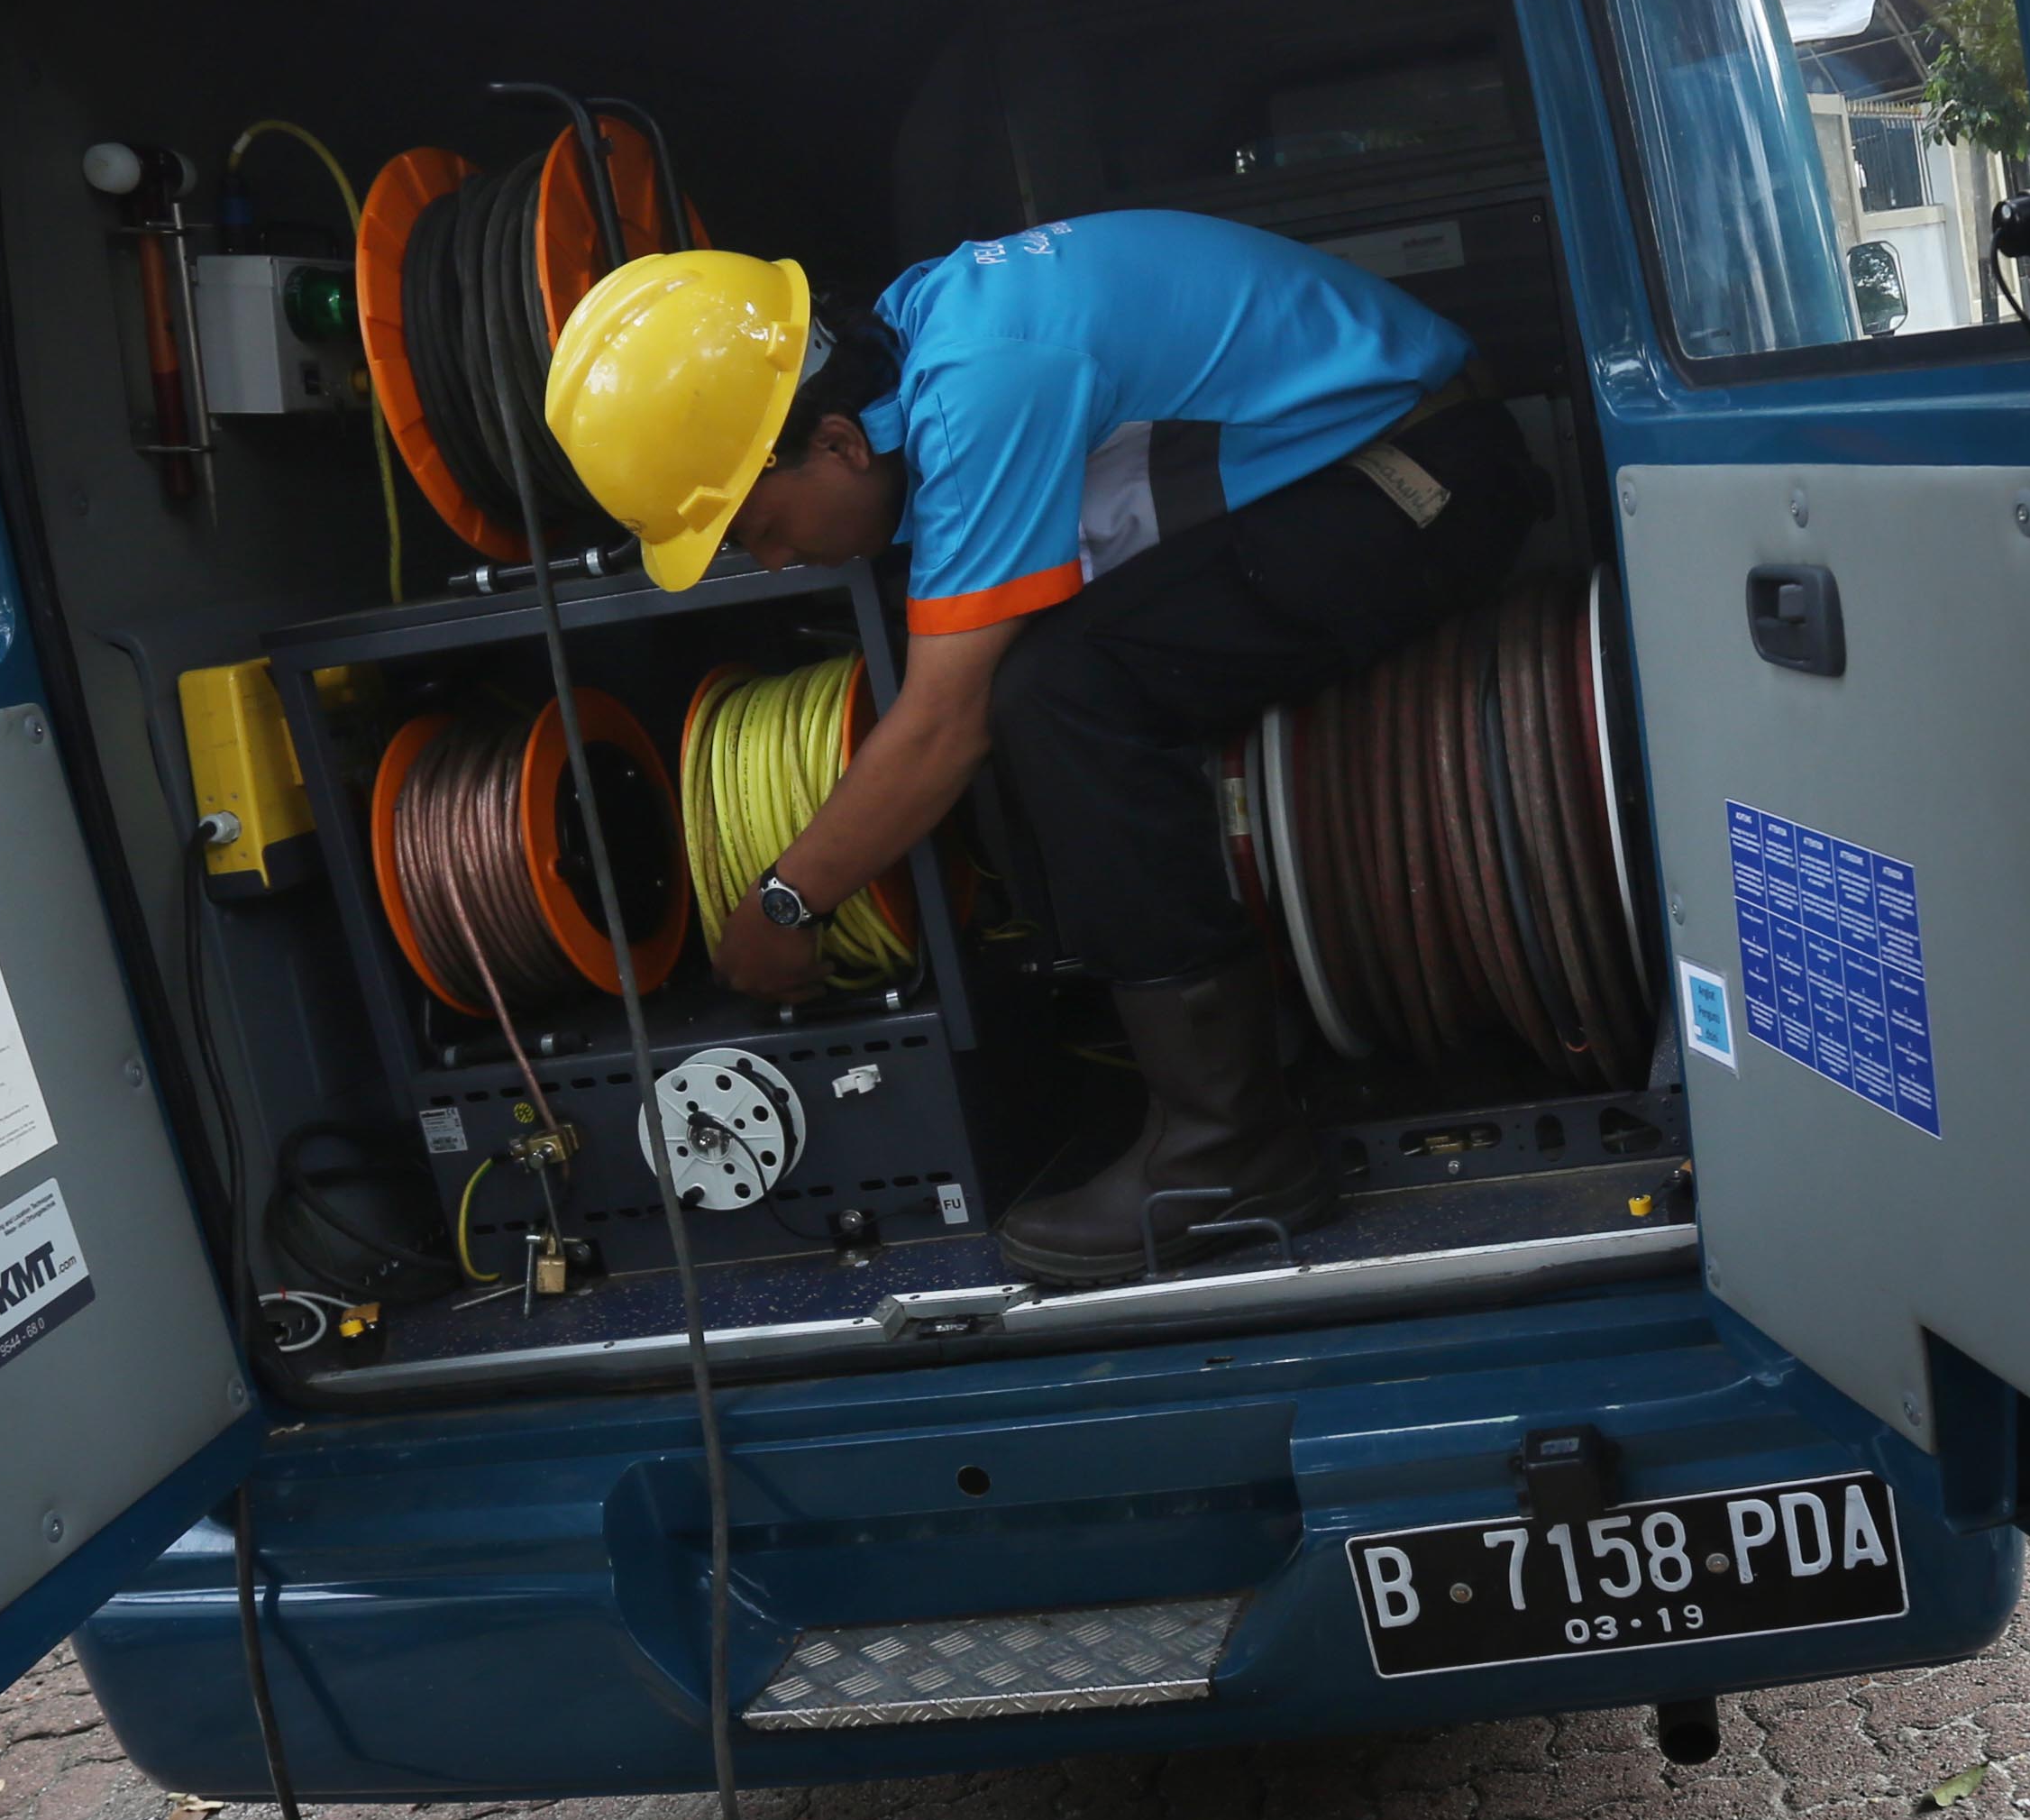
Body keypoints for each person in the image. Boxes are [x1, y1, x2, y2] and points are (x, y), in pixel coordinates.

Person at [544, 209, 1544, 1287]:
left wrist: (785, 899)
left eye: (758, 526)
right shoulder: (923, 338)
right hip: (1351, 467)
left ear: (835, 442)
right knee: (1045, 669)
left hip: (1417, 480)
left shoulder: (982, 380)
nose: (776, 560)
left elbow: (943, 726)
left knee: (1061, 693)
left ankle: (1229, 1144)